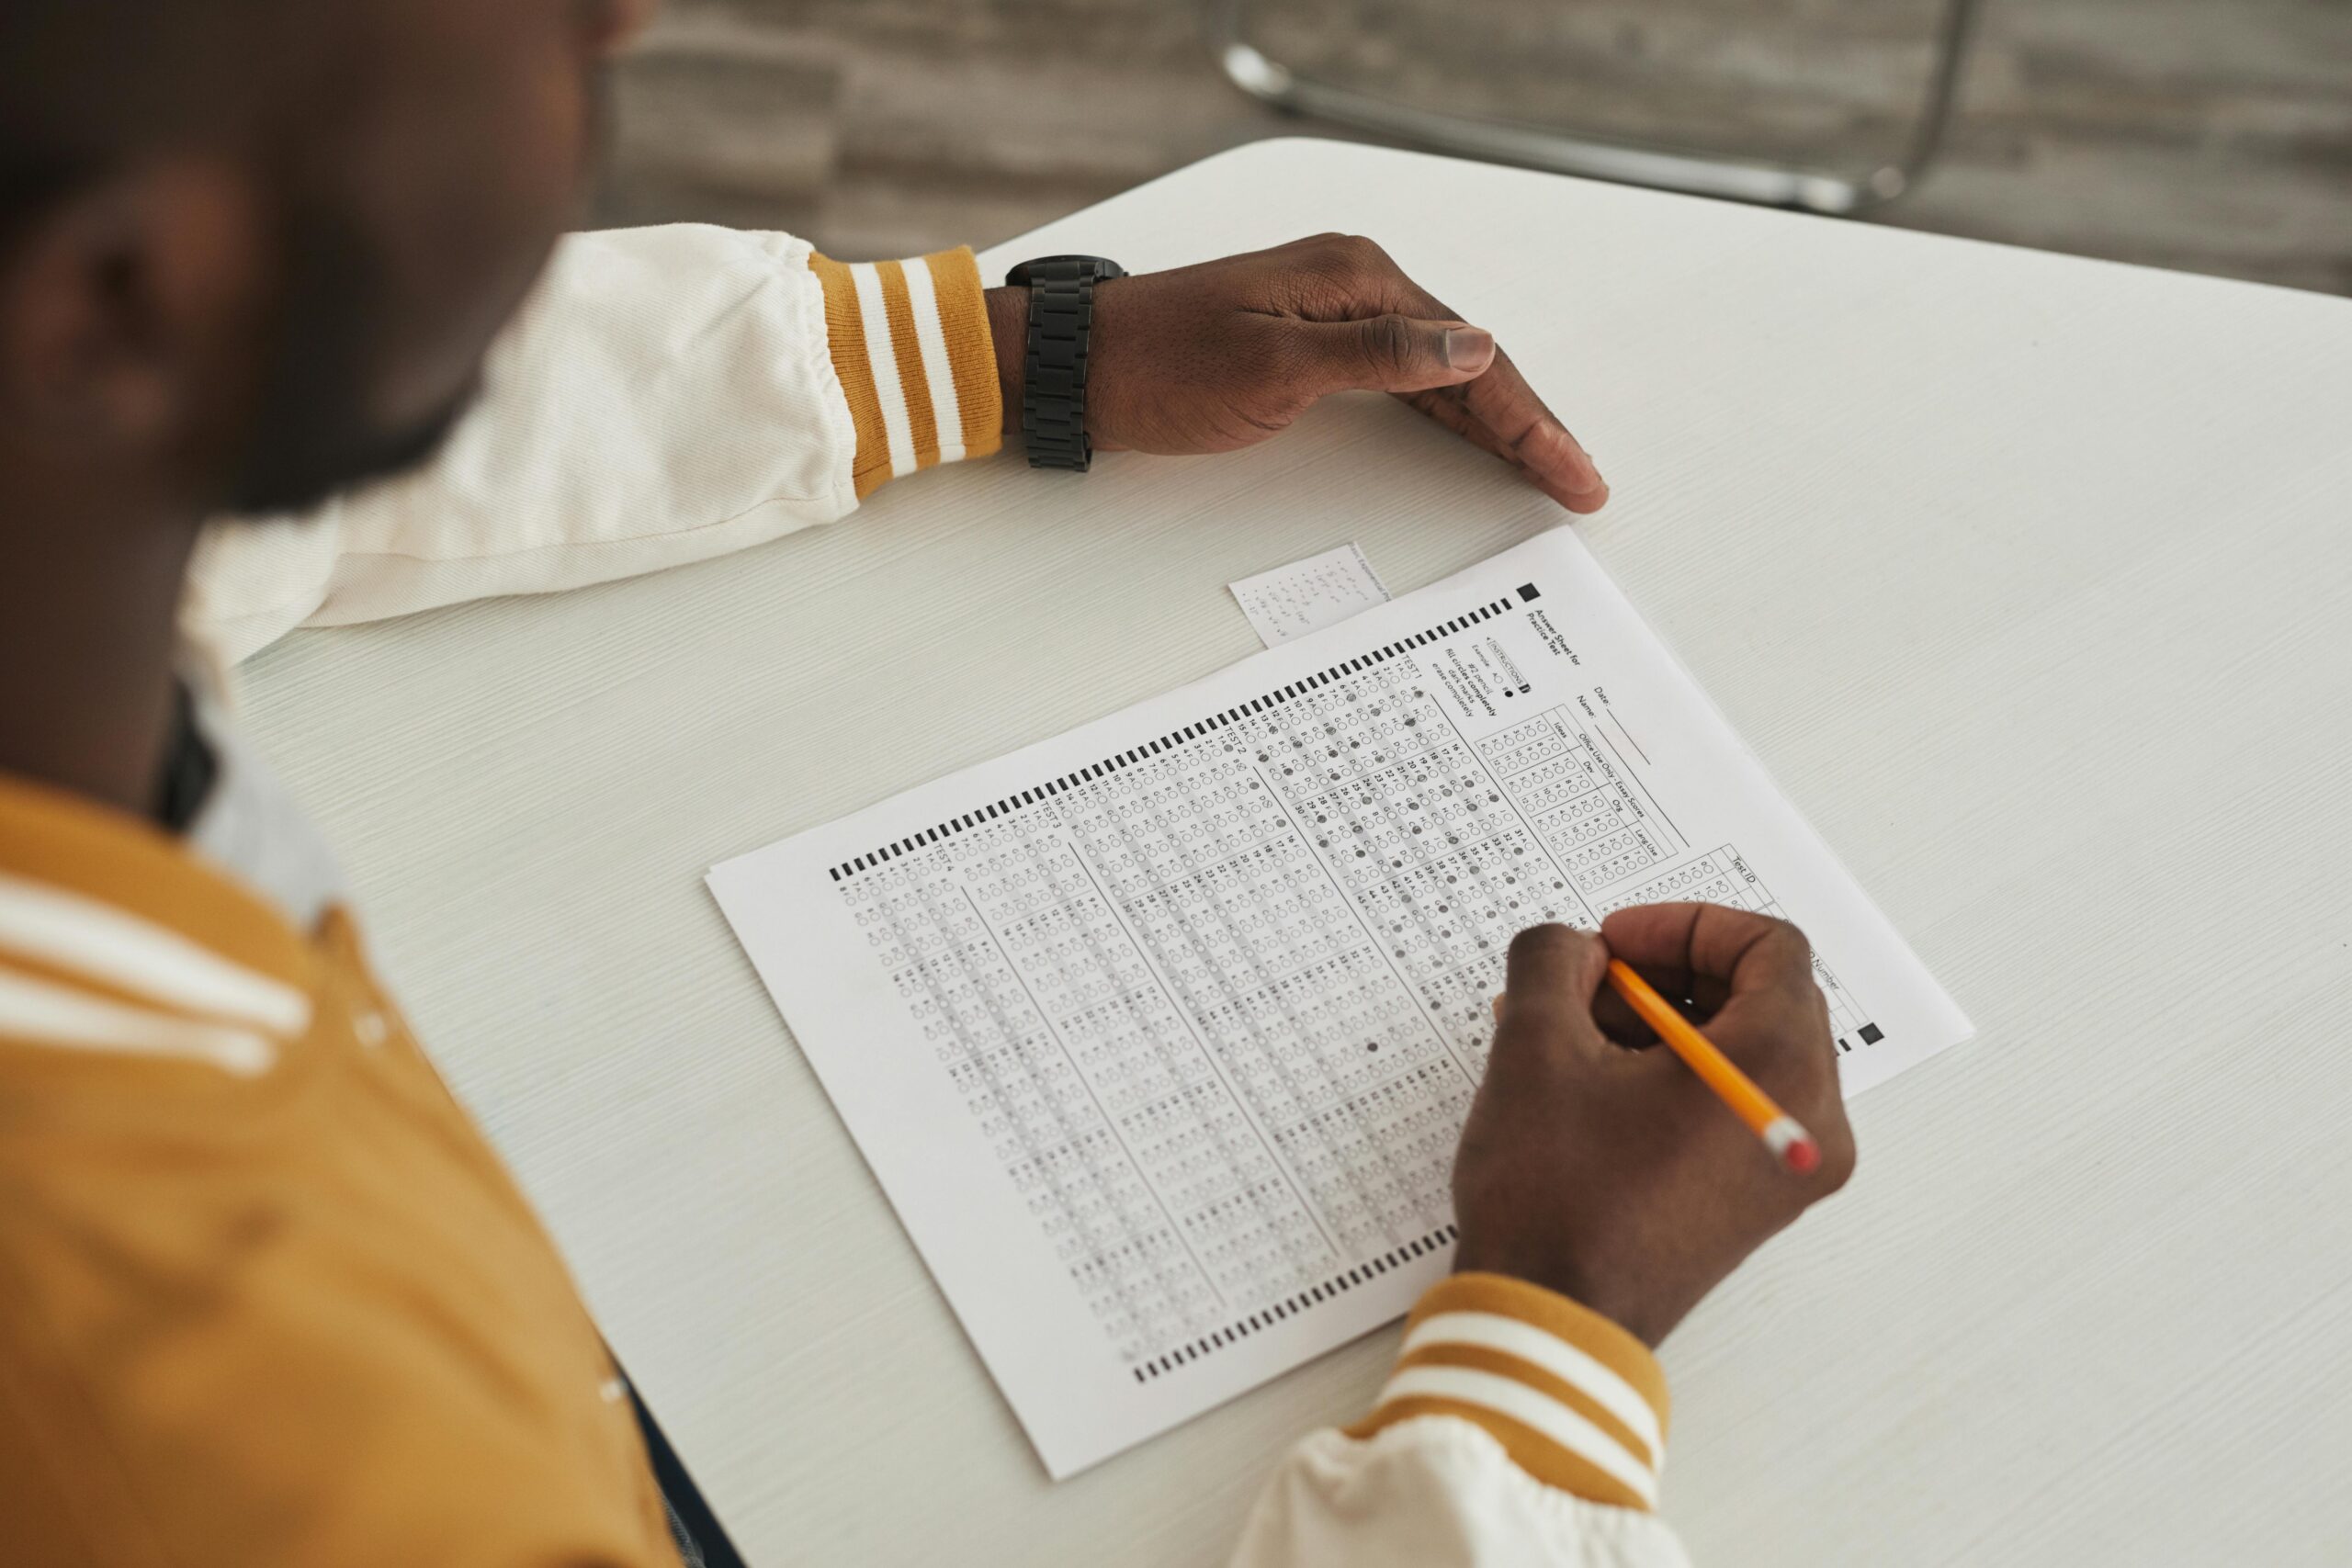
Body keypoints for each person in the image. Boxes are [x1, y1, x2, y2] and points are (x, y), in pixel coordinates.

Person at [0, 1, 1857, 1563]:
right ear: (113, 296)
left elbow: (265, 416)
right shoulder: (246, 1438)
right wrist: (1552, 1342)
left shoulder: (59, 555)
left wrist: (1000, 352)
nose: (628, 21)